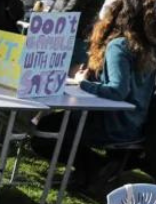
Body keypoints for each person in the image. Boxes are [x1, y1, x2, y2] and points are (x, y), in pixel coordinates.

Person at [32, 0, 156, 192]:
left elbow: (117, 90)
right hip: (134, 125)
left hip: (112, 125)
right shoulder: (147, 47)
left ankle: (95, 167)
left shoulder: (119, 46)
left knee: (44, 132)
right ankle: (94, 168)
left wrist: (83, 83)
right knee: (56, 126)